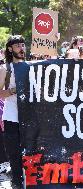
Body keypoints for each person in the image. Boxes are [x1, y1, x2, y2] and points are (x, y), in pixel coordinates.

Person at [0, 35, 26, 188]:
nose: (22, 48)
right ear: (10, 49)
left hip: (30, 118)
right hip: (11, 117)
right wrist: (14, 90)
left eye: (23, 45)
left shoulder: (31, 66)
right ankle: (17, 182)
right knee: (14, 154)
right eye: (18, 46)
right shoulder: (5, 69)